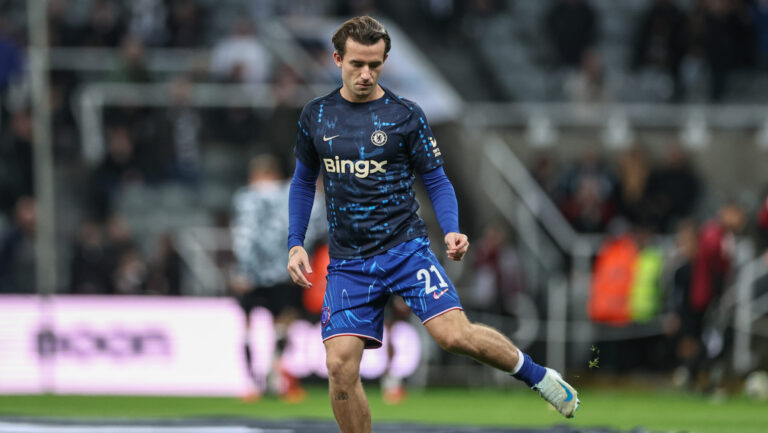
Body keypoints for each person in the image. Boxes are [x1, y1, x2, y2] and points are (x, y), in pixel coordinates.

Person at [286, 16, 579, 432]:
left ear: (384, 61)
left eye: (375, 64)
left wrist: (452, 228)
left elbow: (437, 179)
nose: (366, 73)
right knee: (338, 367)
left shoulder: (405, 116)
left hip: (405, 250)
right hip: (349, 262)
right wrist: (295, 242)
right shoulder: (316, 116)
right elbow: (301, 182)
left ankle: (540, 377)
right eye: (357, 64)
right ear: (337, 60)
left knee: (455, 336)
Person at [231, 154, 324, 401]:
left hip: (251, 275)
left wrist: (242, 269)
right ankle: (277, 377)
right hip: (284, 271)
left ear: (254, 175)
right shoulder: (289, 193)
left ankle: (252, 382)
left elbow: (243, 237)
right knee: (283, 322)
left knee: (248, 327)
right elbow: (314, 217)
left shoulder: (246, 198)